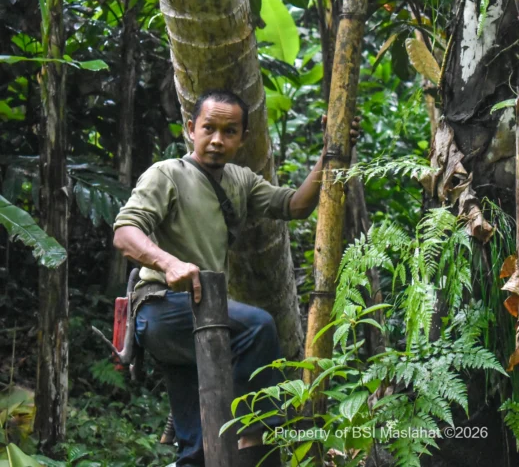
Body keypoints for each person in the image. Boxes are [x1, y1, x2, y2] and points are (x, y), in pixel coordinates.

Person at [112, 89, 360, 466]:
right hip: (162, 308)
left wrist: (330, 153)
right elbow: (125, 232)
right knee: (257, 326)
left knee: (198, 447)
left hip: (203, 315)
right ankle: (255, 439)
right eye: (208, 128)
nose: (217, 140)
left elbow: (295, 205)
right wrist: (169, 263)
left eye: (229, 131)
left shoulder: (240, 180)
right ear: (190, 128)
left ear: (243, 138)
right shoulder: (167, 174)